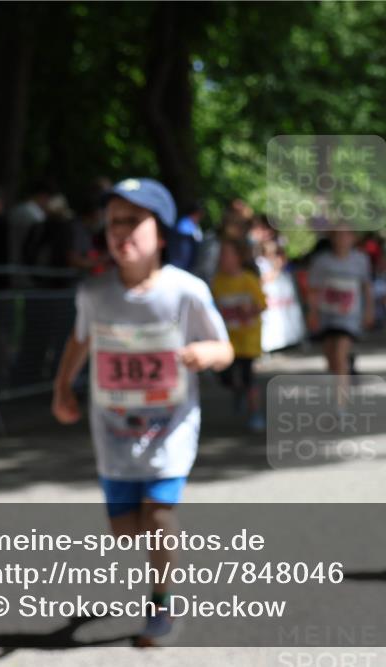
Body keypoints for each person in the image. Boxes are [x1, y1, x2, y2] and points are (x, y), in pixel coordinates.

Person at [51, 177, 232, 645]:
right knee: (124, 532)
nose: (122, 231)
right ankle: (161, 568)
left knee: (158, 515)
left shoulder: (185, 291)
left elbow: (224, 347)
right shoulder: (95, 294)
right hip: (113, 429)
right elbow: (80, 339)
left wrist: (205, 355)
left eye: (135, 221)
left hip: (169, 425)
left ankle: (163, 602)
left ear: (162, 233)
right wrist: (62, 387)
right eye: (114, 222)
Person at [306, 225, 374, 398]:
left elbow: (366, 287)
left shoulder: (360, 260)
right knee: (332, 360)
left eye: (346, 235)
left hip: (349, 317)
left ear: (353, 238)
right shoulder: (322, 262)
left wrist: (369, 311)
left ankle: (340, 404)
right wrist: (312, 313)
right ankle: (345, 371)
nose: (342, 239)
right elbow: (313, 289)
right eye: (338, 235)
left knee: (339, 353)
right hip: (327, 315)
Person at [211, 238, 268, 431]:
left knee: (248, 377)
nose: (222, 259)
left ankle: (255, 414)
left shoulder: (248, 280)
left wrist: (248, 310)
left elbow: (262, 305)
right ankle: (238, 391)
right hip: (227, 341)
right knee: (225, 377)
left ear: (238, 258)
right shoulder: (218, 282)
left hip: (248, 340)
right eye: (221, 255)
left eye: (226, 254)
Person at [165, 204, 204, 273]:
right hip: (179, 261)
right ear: (194, 214)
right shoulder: (184, 222)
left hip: (186, 263)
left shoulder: (195, 225)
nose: (199, 218)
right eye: (199, 215)